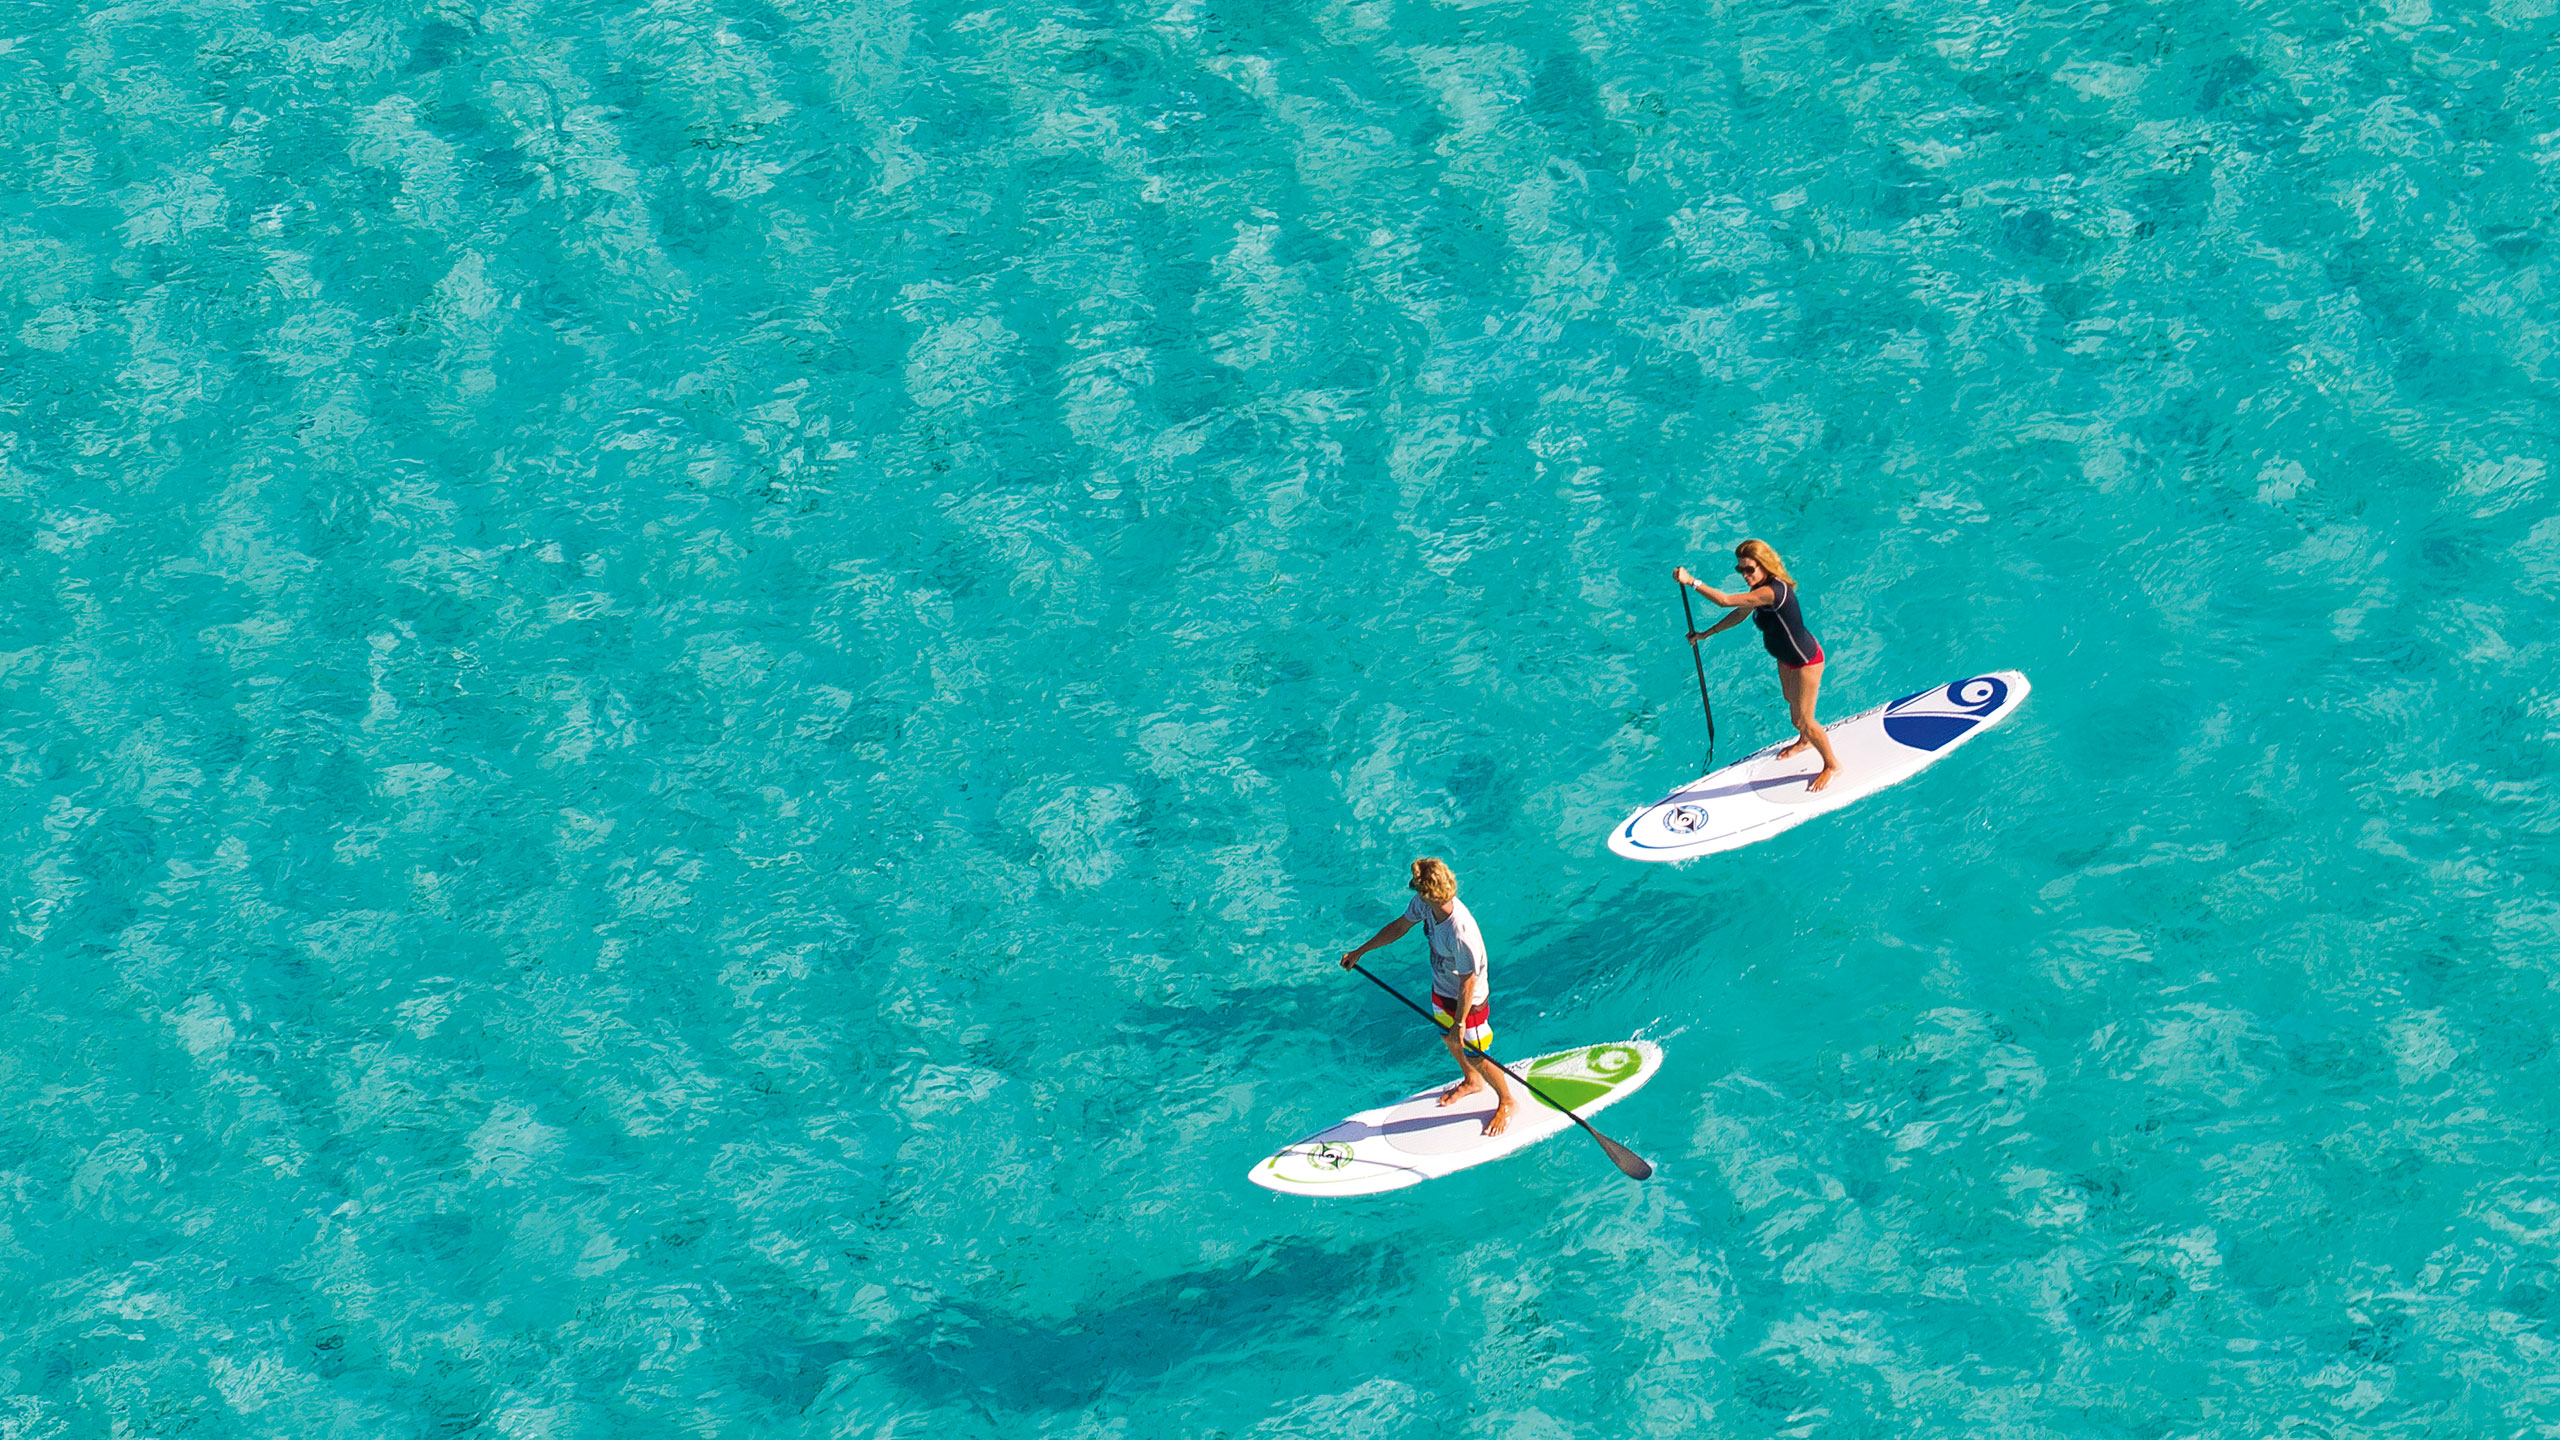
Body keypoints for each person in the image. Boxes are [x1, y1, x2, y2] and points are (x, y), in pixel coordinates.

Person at [1338, 857, 1513, 1136]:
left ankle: (1506, 1099)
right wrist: (1361, 951)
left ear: (1428, 893)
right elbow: (1398, 927)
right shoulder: (1425, 906)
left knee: (1477, 1054)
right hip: (1443, 988)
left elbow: (1469, 982)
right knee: (1448, 1038)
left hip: (1470, 1001)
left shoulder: (1461, 931)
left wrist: (1460, 1024)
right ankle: (1472, 1081)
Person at [1676, 538, 1841, 792]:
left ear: (1764, 565)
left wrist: (1692, 582)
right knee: (1793, 710)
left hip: (1806, 661)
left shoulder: (1773, 591)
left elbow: (1726, 601)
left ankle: (1831, 764)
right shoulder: (1758, 593)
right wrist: (1706, 634)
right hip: (1785, 659)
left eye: (1749, 569)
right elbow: (1739, 613)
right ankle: (1805, 741)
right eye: (1740, 570)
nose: (1744, 574)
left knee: (1806, 719)